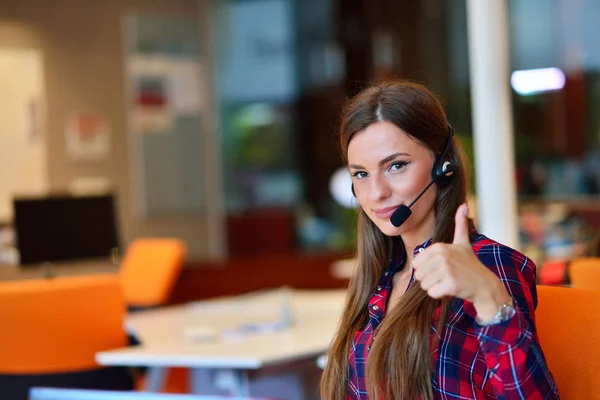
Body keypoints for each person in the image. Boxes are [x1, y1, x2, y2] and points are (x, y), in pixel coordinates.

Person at [320, 81, 559, 399]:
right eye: (361, 174)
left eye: (396, 166)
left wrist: (489, 296)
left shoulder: (486, 263)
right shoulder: (382, 277)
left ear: (442, 167)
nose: (376, 192)